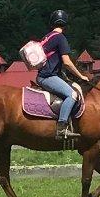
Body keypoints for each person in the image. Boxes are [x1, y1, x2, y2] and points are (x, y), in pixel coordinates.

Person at [34, 9, 89, 144]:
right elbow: (67, 62)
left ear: (52, 24)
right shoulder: (60, 38)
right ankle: (62, 128)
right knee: (72, 95)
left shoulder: (47, 37)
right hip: (48, 77)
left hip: (44, 75)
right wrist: (81, 76)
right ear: (65, 25)